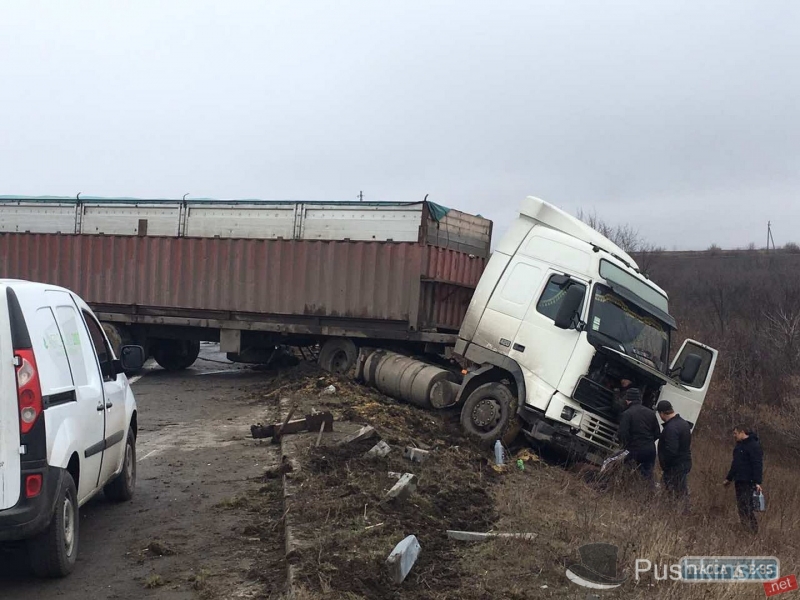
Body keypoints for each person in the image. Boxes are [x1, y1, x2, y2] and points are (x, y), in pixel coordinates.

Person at [723, 425, 763, 533]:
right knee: (741, 506)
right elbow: (735, 464)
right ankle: (745, 529)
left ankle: (753, 531)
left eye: (735, 433)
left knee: (747, 506)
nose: (734, 435)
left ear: (742, 432)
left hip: (749, 481)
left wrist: (757, 482)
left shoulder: (754, 446)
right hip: (739, 480)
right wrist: (729, 478)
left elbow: (757, 464)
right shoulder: (739, 447)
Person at [616, 388, 660, 482]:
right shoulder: (651, 413)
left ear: (627, 400)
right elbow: (657, 433)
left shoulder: (627, 414)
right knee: (647, 477)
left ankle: (624, 489)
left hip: (634, 449)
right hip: (650, 450)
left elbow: (622, 433)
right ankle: (648, 494)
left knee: (623, 470)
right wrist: (648, 441)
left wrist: (626, 445)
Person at [655, 400, 692, 502]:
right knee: (680, 492)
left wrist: (665, 465)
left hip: (674, 468)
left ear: (662, 413)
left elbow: (671, 451)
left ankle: (679, 513)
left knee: (675, 494)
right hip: (683, 464)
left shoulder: (671, 428)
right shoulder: (683, 423)